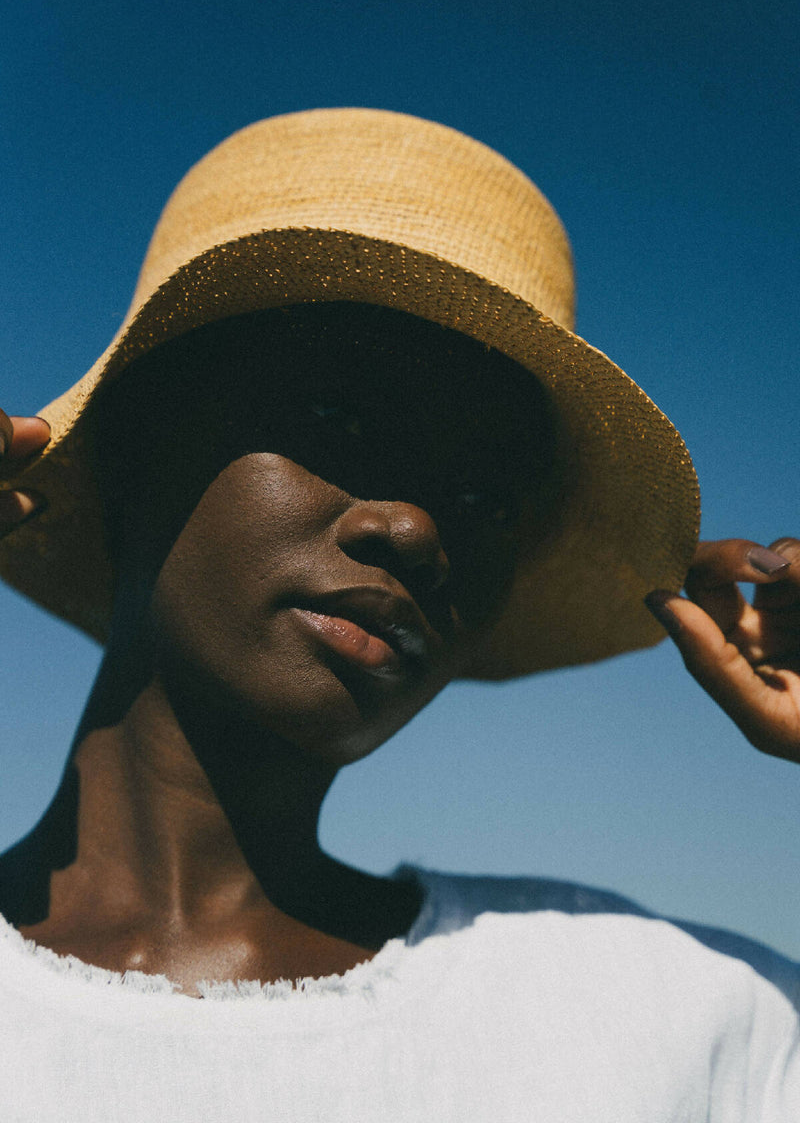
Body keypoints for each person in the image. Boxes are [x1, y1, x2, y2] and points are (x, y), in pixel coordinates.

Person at [0, 108, 797, 1120]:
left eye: (487, 500)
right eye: (336, 420)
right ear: (129, 451)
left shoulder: (684, 1021)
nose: (416, 530)